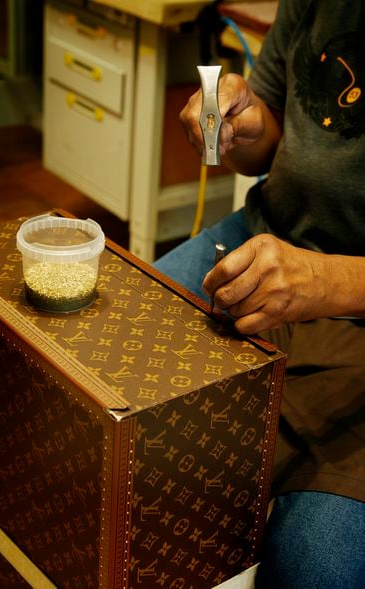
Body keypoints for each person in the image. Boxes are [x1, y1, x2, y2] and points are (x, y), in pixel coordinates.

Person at [154, 0, 365, 587]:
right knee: (103, 356)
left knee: (313, 567)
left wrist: (332, 281)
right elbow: (271, 141)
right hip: (267, 238)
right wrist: (242, 128)